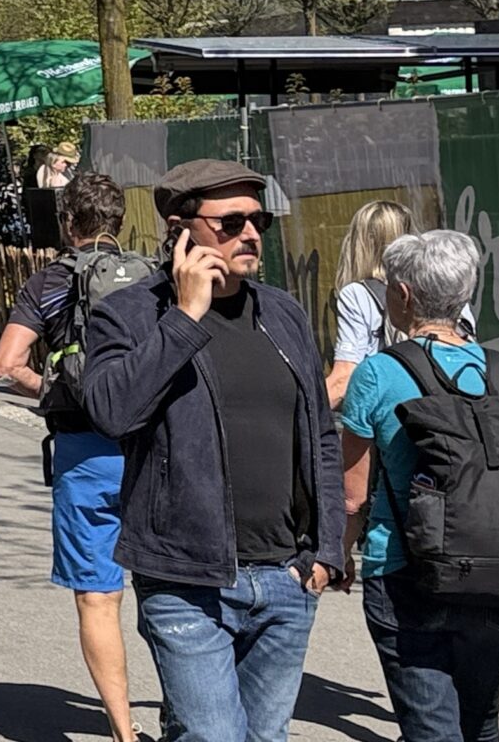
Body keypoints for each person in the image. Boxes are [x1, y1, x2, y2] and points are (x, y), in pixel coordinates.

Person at [82, 159, 342, 742]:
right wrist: (185, 317)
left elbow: (320, 434)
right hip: (185, 578)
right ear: (182, 228)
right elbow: (111, 412)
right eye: (230, 223)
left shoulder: (282, 312)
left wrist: (325, 550)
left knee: (264, 737)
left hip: (285, 575)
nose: (250, 234)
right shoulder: (128, 315)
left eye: (259, 220)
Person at [337, 229, 499, 742]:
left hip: (407, 568)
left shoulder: (379, 373)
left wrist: (338, 553)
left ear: (402, 295)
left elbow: (353, 493)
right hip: (498, 570)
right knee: (481, 721)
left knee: (430, 728)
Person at [0, 174, 145, 742]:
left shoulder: (51, 282)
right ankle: (190, 713)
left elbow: (6, 363)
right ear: (121, 222)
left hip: (84, 454)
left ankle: (124, 731)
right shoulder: (152, 280)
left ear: (68, 224)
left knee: (99, 597)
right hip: (154, 449)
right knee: (170, 589)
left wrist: (52, 387)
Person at [325, 199, 413, 408]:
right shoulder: (441, 284)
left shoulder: (357, 295)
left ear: (362, 242)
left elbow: (344, 378)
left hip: (393, 418)